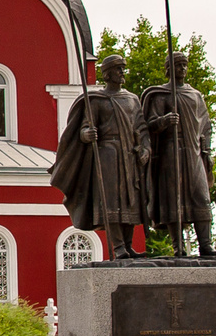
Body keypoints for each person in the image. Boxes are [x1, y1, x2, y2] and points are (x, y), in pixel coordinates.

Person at [50, 54, 147, 261]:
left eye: (123, 68)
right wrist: (87, 134)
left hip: (129, 154)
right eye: (118, 69)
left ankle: (129, 246)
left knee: (130, 200)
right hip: (107, 155)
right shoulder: (96, 100)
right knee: (111, 201)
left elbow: (141, 127)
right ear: (107, 73)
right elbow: (84, 127)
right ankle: (119, 246)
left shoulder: (132, 99)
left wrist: (144, 149)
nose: (122, 73)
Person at [141, 50, 216, 257]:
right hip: (169, 151)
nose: (182, 68)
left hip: (193, 152)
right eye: (177, 65)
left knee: (201, 196)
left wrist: (207, 150)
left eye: (184, 65)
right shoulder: (159, 94)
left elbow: (206, 126)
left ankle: (206, 245)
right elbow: (147, 125)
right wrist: (164, 121)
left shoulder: (195, 95)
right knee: (173, 199)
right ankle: (178, 246)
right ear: (168, 69)